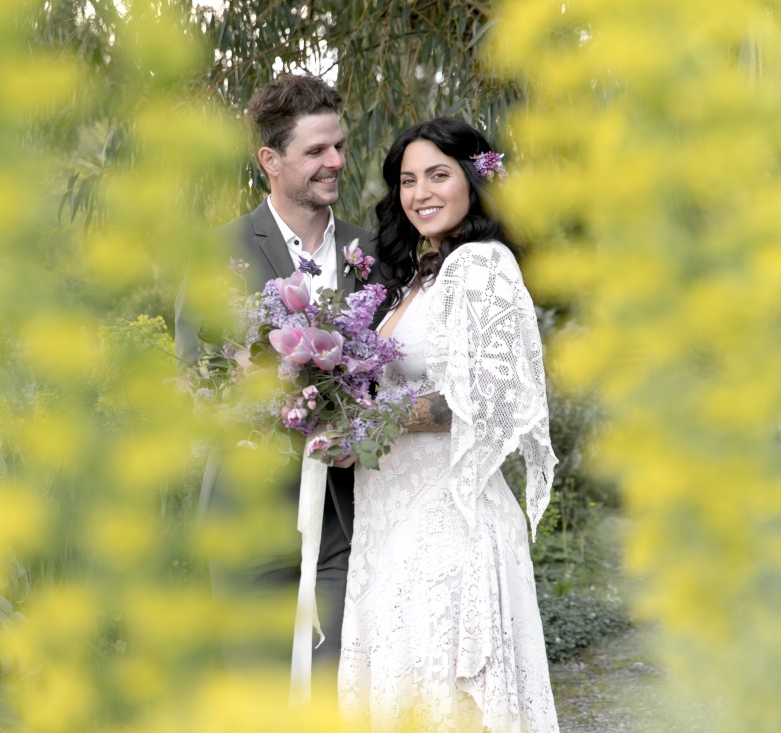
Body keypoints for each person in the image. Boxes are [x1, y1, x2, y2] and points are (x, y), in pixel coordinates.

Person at [337, 117, 560, 732]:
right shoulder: (421, 274)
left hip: (447, 518)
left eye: (439, 174)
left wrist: (367, 425)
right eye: (408, 180)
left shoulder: (481, 265)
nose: (420, 193)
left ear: (474, 179)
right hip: (389, 515)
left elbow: (484, 399)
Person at [174, 74, 381, 684]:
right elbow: (195, 377)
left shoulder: (373, 252)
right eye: (316, 151)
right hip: (249, 523)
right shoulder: (217, 253)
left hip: (350, 521)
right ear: (270, 159)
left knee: (334, 696)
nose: (336, 162)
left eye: (339, 146)